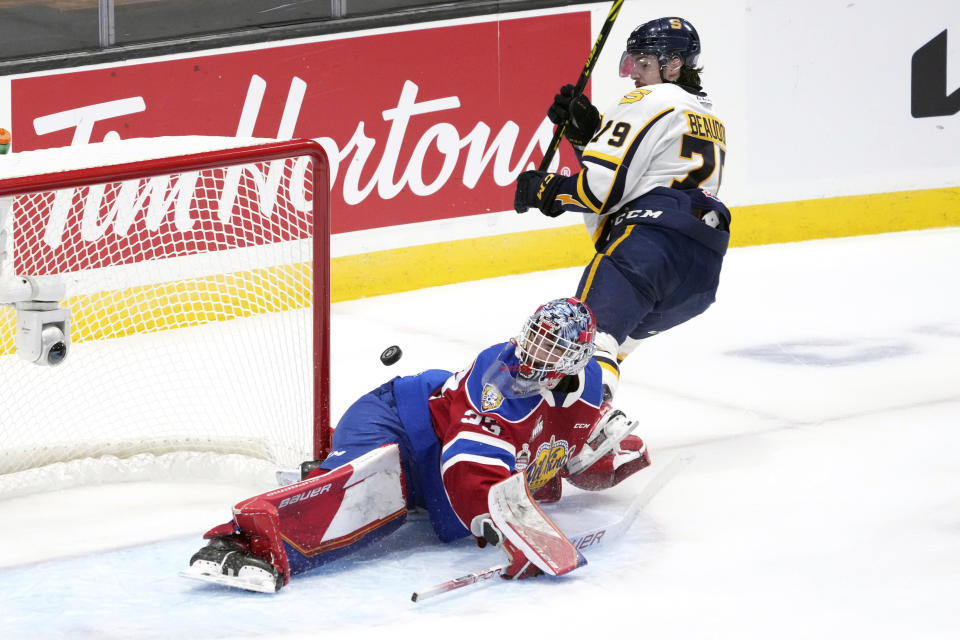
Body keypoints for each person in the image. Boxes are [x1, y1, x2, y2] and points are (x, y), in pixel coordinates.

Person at [183, 298, 651, 592]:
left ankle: (324, 473)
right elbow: (468, 464)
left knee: (401, 498)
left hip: (433, 467)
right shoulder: (499, 378)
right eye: (534, 339)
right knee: (374, 497)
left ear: (576, 361)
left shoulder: (590, 388)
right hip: (399, 423)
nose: (532, 354)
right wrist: (513, 530)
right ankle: (250, 539)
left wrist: (604, 460)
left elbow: (563, 445)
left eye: (550, 349)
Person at [514, 17, 732, 401]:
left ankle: (600, 427)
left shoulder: (647, 99)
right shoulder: (709, 118)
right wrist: (586, 137)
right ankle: (588, 419)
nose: (633, 75)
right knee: (606, 352)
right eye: (632, 63)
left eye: (644, 63)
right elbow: (645, 181)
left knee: (590, 340)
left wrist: (548, 191)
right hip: (699, 272)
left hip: (647, 250)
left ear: (674, 64)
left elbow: (602, 193)